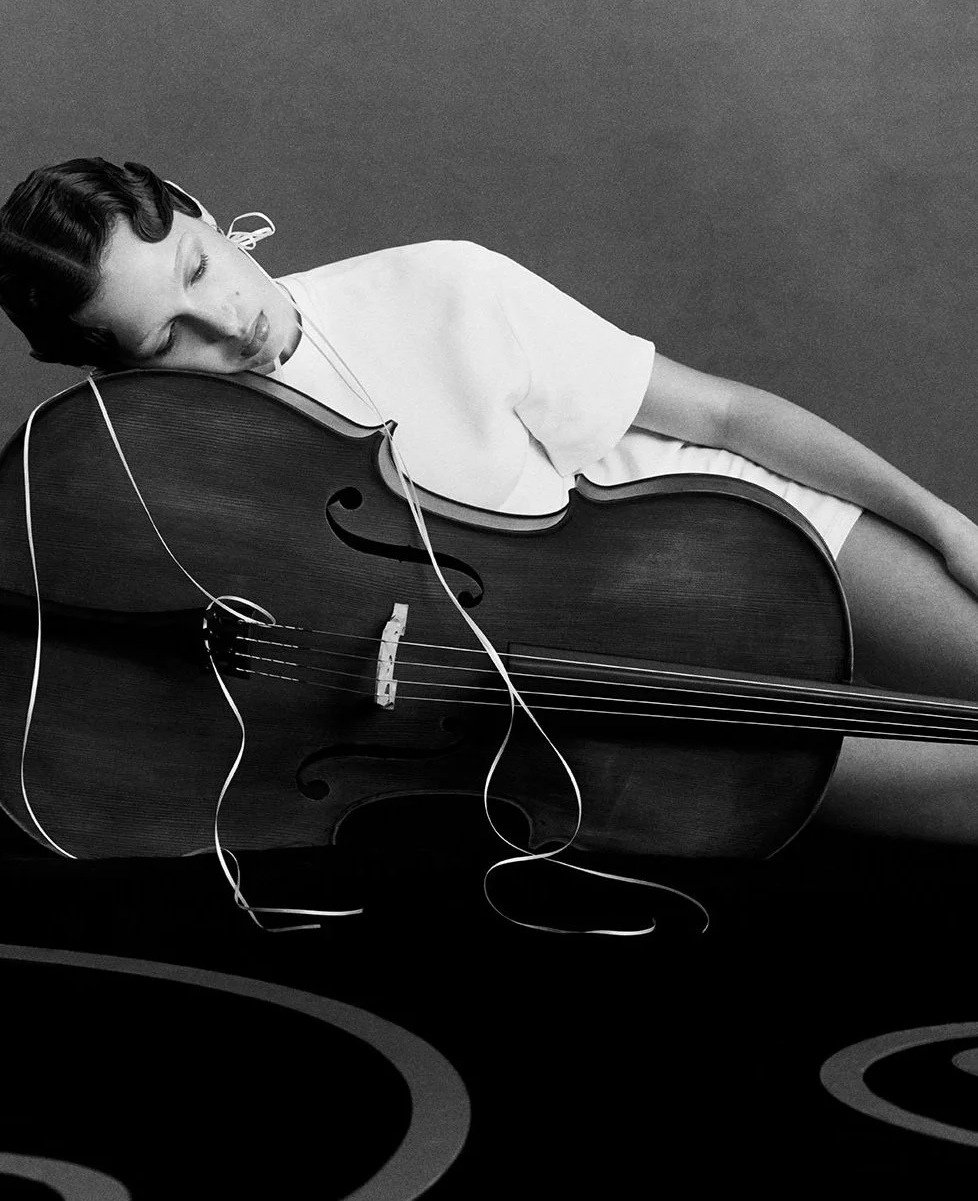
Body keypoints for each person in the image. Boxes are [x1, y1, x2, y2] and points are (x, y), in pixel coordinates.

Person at [3, 156, 978, 850]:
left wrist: (947, 527)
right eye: (166, 337)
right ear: (115, 373)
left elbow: (722, 414)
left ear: (201, 211)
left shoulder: (440, 287)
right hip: (588, 699)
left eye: (197, 268)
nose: (222, 322)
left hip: (720, 535)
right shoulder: (164, 472)